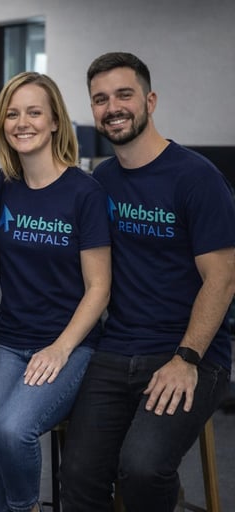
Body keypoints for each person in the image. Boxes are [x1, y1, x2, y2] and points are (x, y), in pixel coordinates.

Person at [60, 52, 235, 512]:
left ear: (150, 100)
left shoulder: (197, 178)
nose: (112, 107)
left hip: (190, 352)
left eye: (124, 94)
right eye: (100, 99)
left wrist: (186, 358)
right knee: (77, 472)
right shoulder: (103, 180)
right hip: (117, 349)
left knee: (141, 466)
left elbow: (223, 278)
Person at [0, 71, 111, 512]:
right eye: (12, 114)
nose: (22, 122)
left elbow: (99, 287)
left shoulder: (84, 192)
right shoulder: (6, 189)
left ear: (55, 121)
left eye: (34, 112)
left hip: (69, 344)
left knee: (14, 429)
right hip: (10, 338)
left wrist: (60, 349)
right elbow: (5, 255)